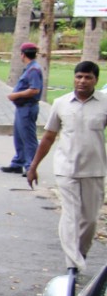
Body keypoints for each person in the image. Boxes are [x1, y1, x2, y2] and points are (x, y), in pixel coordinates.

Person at [26, 61, 107, 273]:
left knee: (89, 221)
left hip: (94, 170)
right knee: (71, 216)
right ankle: (73, 265)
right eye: (79, 76)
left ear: (96, 80)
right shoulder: (61, 103)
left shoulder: (104, 103)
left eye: (88, 77)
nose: (82, 81)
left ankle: (79, 253)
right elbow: (49, 136)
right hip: (66, 169)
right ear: (74, 78)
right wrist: (33, 166)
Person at [2, 42, 43, 175]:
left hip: (28, 107)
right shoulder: (30, 68)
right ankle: (18, 162)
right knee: (19, 136)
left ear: (23, 54)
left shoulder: (34, 70)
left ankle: (31, 166)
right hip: (22, 107)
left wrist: (16, 95)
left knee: (28, 138)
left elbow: (34, 90)